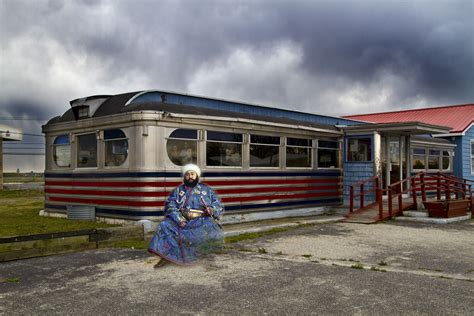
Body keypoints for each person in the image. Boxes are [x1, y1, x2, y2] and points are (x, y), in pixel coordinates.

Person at [148, 164, 224, 267]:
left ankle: (207, 258)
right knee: (164, 226)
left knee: (209, 227)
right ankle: (167, 257)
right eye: (187, 174)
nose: (190, 176)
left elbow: (218, 205)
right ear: (184, 176)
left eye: (192, 174)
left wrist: (211, 210)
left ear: (197, 175)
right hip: (182, 220)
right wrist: (179, 219)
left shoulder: (206, 190)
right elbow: (171, 206)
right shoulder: (178, 191)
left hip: (201, 220)